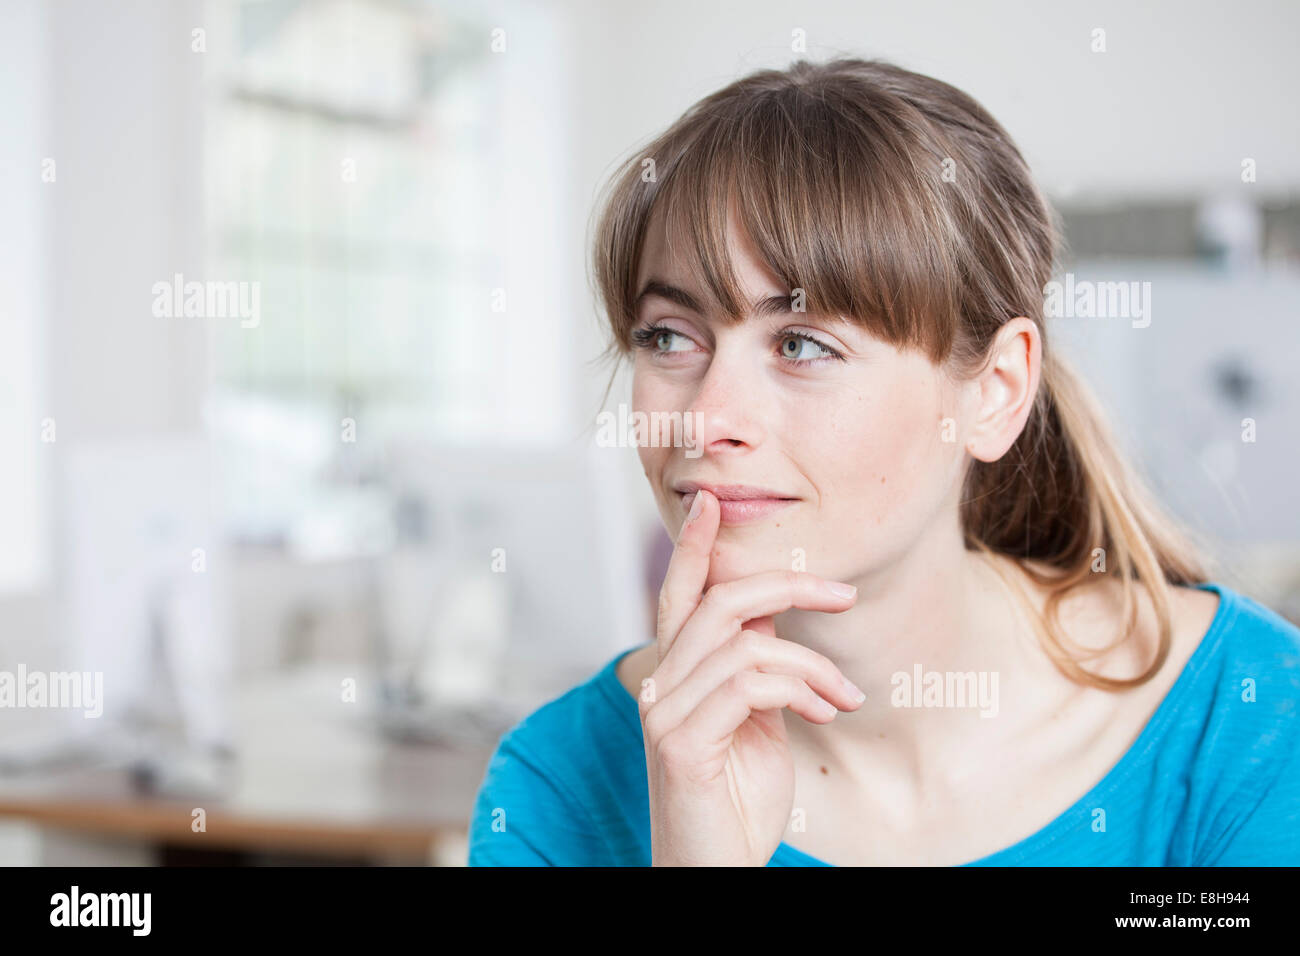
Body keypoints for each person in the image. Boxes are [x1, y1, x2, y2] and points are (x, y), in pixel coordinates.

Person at [468, 57, 1300, 866]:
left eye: (801, 344)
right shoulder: (557, 790)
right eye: (670, 337)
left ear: (996, 392)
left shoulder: (1255, 722)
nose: (708, 418)